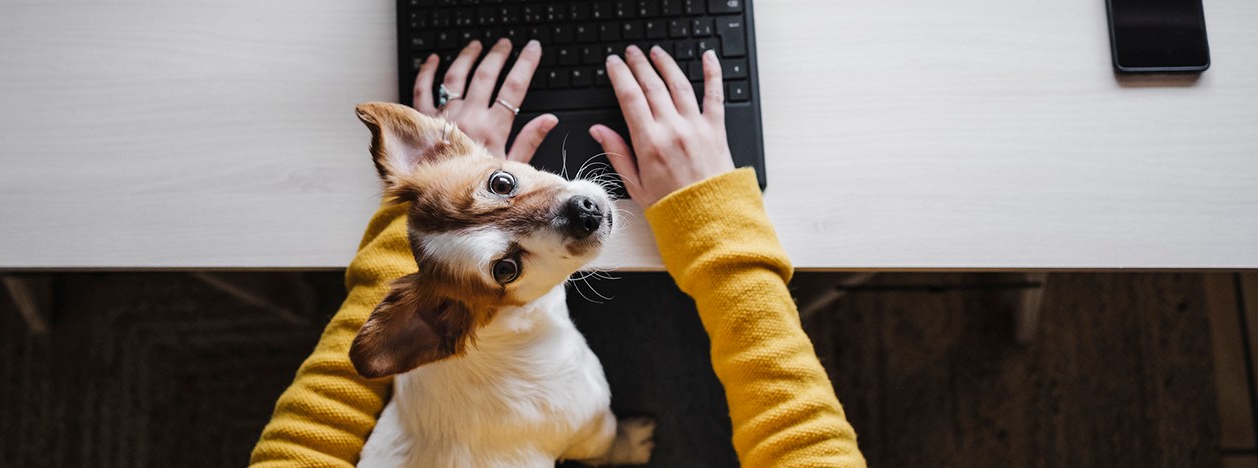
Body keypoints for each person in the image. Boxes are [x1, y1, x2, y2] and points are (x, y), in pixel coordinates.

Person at [250, 39, 865, 467]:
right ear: (450, 324)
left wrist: (429, 195)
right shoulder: (559, 391)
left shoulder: (449, 302)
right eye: (506, 266)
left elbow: (300, 451)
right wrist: (717, 227)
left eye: (500, 183)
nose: (562, 212)